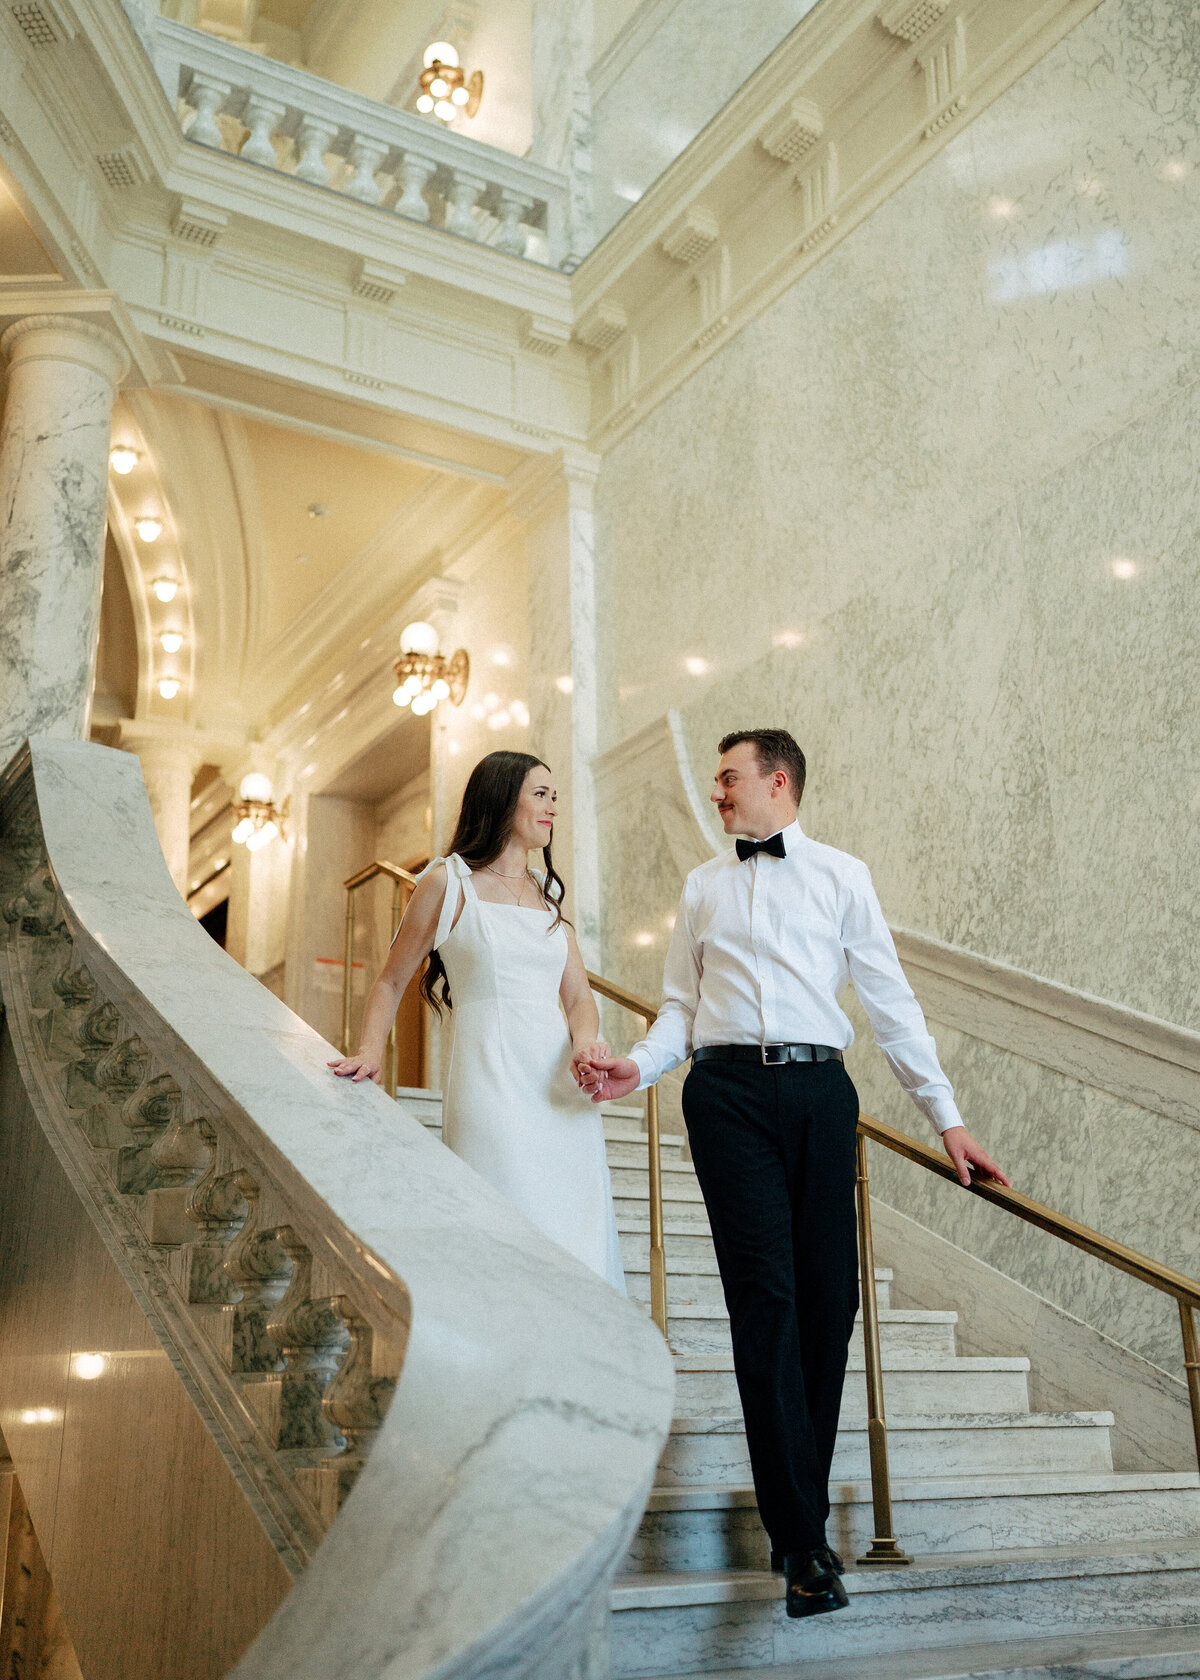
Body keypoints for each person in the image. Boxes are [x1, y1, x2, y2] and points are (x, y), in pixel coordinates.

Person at [579, 728, 1010, 1618]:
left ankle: (799, 1519)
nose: (719, 793)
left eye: (730, 779)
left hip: (820, 1094)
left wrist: (948, 1119)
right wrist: (639, 1065)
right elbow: (678, 1007)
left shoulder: (842, 876)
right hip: (726, 1094)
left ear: (779, 782)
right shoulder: (702, 885)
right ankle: (802, 1542)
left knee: (831, 1302)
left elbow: (891, 1004)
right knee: (765, 1300)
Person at [330, 750, 625, 1293]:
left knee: (573, 1234)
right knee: (503, 1219)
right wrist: (369, 1052)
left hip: (561, 1089)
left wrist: (586, 1044)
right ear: (500, 798)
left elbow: (579, 998)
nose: (552, 807)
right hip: (489, 1080)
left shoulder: (548, 891)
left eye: (555, 796)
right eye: (541, 794)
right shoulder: (447, 882)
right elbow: (391, 980)